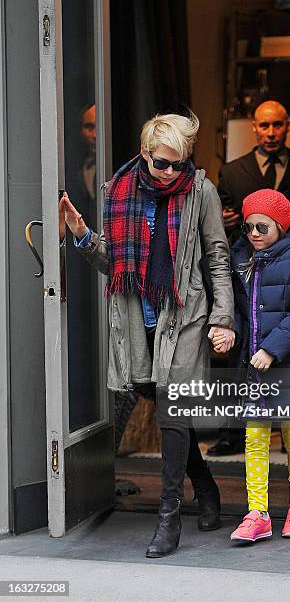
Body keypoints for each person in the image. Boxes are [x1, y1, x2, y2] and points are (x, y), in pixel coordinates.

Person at [59, 110, 235, 558]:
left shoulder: (202, 191)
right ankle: (208, 487)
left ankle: (169, 515)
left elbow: (217, 256)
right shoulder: (118, 191)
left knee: (173, 412)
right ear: (145, 153)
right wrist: (81, 235)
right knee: (161, 403)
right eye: (162, 163)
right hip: (140, 320)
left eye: (179, 163)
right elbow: (115, 263)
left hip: (186, 315)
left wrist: (223, 318)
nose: (171, 172)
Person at [208, 99, 290, 457]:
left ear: (287, 125)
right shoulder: (231, 172)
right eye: (264, 125)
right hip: (246, 272)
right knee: (243, 352)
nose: (271, 132)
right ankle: (232, 433)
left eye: (277, 124)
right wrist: (231, 225)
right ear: (254, 128)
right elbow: (217, 225)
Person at [213, 188, 290, 541]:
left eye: (263, 226)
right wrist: (230, 332)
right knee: (255, 437)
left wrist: (273, 349)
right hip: (254, 366)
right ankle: (257, 512)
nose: (254, 234)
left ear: (280, 225)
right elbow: (241, 310)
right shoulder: (242, 258)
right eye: (248, 227)